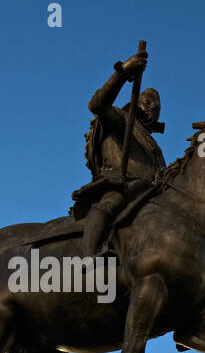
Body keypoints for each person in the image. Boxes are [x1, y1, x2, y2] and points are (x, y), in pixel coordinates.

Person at [70, 48, 168, 257]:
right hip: (121, 183)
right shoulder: (121, 119)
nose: (153, 106)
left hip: (150, 194)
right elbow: (97, 104)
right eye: (148, 102)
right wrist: (122, 73)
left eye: (157, 106)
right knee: (112, 201)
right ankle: (91, 254)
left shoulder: (154, 148)